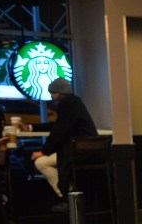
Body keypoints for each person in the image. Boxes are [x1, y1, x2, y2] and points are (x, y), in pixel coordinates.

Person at [26, 78, 97, 211]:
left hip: (78, 151)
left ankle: (68, 197)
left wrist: (44, 151)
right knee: (50, 161)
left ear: (60, 93)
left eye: (53, 93)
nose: (51, 96)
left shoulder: (66, 103)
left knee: (41, 163)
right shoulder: (75, 102)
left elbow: (60, 130)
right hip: (89, 150)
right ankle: (71, 196)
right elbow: (60, 126)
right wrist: (32, 127)